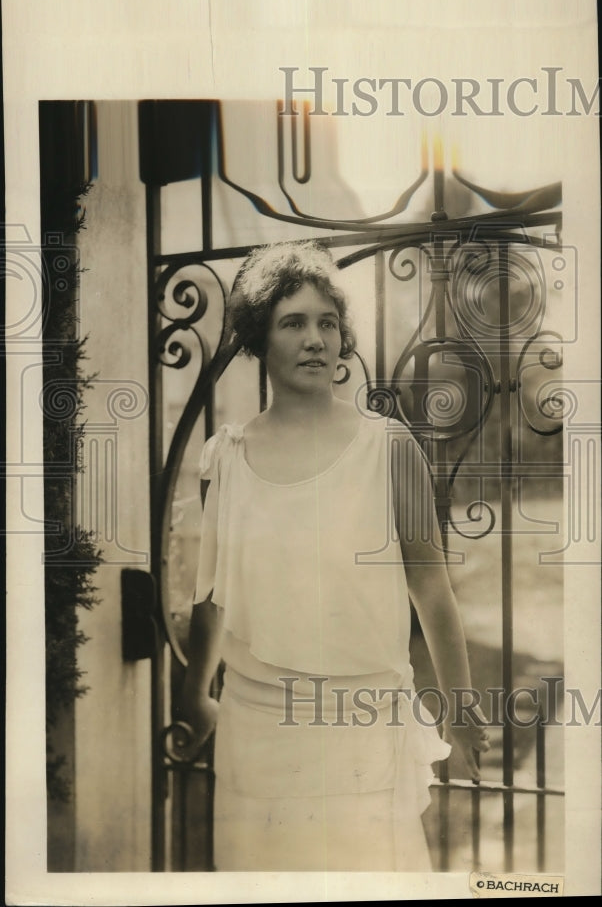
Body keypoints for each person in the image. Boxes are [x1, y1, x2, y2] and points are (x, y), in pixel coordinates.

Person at [177, 239, 489, 872]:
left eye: (327, 322)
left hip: (362, 726)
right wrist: (193, 694)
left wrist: (458, 704)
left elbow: (430, 587)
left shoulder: (389, 448)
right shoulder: (227, 457)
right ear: (260, 340)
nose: (315, 338)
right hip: (257, 725)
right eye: (293, 323)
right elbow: (213, 592)